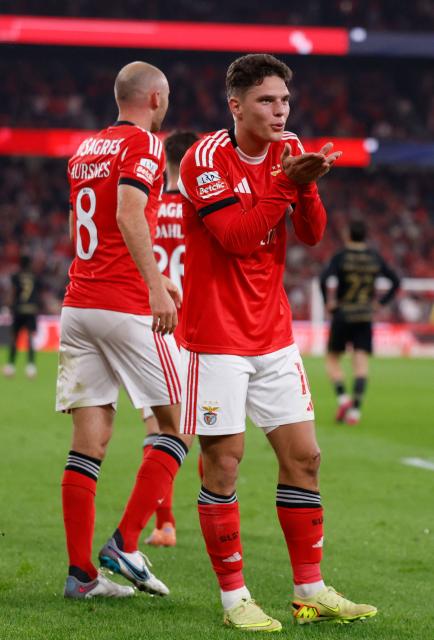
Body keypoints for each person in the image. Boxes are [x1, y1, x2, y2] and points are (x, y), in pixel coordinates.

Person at [178, 53, 377, 631]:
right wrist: (287, 184)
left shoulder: (289, 148)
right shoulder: (204, 159)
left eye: (284, 100)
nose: (279, 110)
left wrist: (306, 188)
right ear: (235, 105)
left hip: (273, 335)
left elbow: (313, 236)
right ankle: (234, 598)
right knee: (223, 465)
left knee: (305, 459)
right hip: (216, 337)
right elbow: (238, 238)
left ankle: (309, 591)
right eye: (266, 101)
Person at [57, 61, 191, 599]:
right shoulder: (147, 145)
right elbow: (131, 213)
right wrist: (157, 285)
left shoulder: (84, 150)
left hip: (79, 303)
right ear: (156, 99)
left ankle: (81, 575)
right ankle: (126, 543)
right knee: (177, 425)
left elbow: (76, 227)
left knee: (90, 441)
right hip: (125, 304)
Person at [142, 130, 199, 548]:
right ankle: (214, 508)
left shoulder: (145, 205)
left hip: (151, 324)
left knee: (157, 427)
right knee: (203, 427)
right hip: (196, 326)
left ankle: (164, 524)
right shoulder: (203, 207)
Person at [320, 219, 400, 425]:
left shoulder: (341, 256)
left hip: (343, 313)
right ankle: (355, 412)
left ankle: (342, 398)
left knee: (332, 359)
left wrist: (327, 301)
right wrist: (380, 303)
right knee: (361, 363)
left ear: (348, 234)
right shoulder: (374, 257)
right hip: (365, 315)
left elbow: (323, 278)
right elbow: (396, 281)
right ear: (365, 235)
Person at [3, 254, 41, 379]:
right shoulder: (34, 277)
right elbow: (38, 293)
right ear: (29, 264)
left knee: (14, 339)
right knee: (30, 339)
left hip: (19, 310)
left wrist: (8, 306)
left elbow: (13, 292)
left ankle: (10, 366)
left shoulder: (16, 276)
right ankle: (31, 367)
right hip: (31, 310)